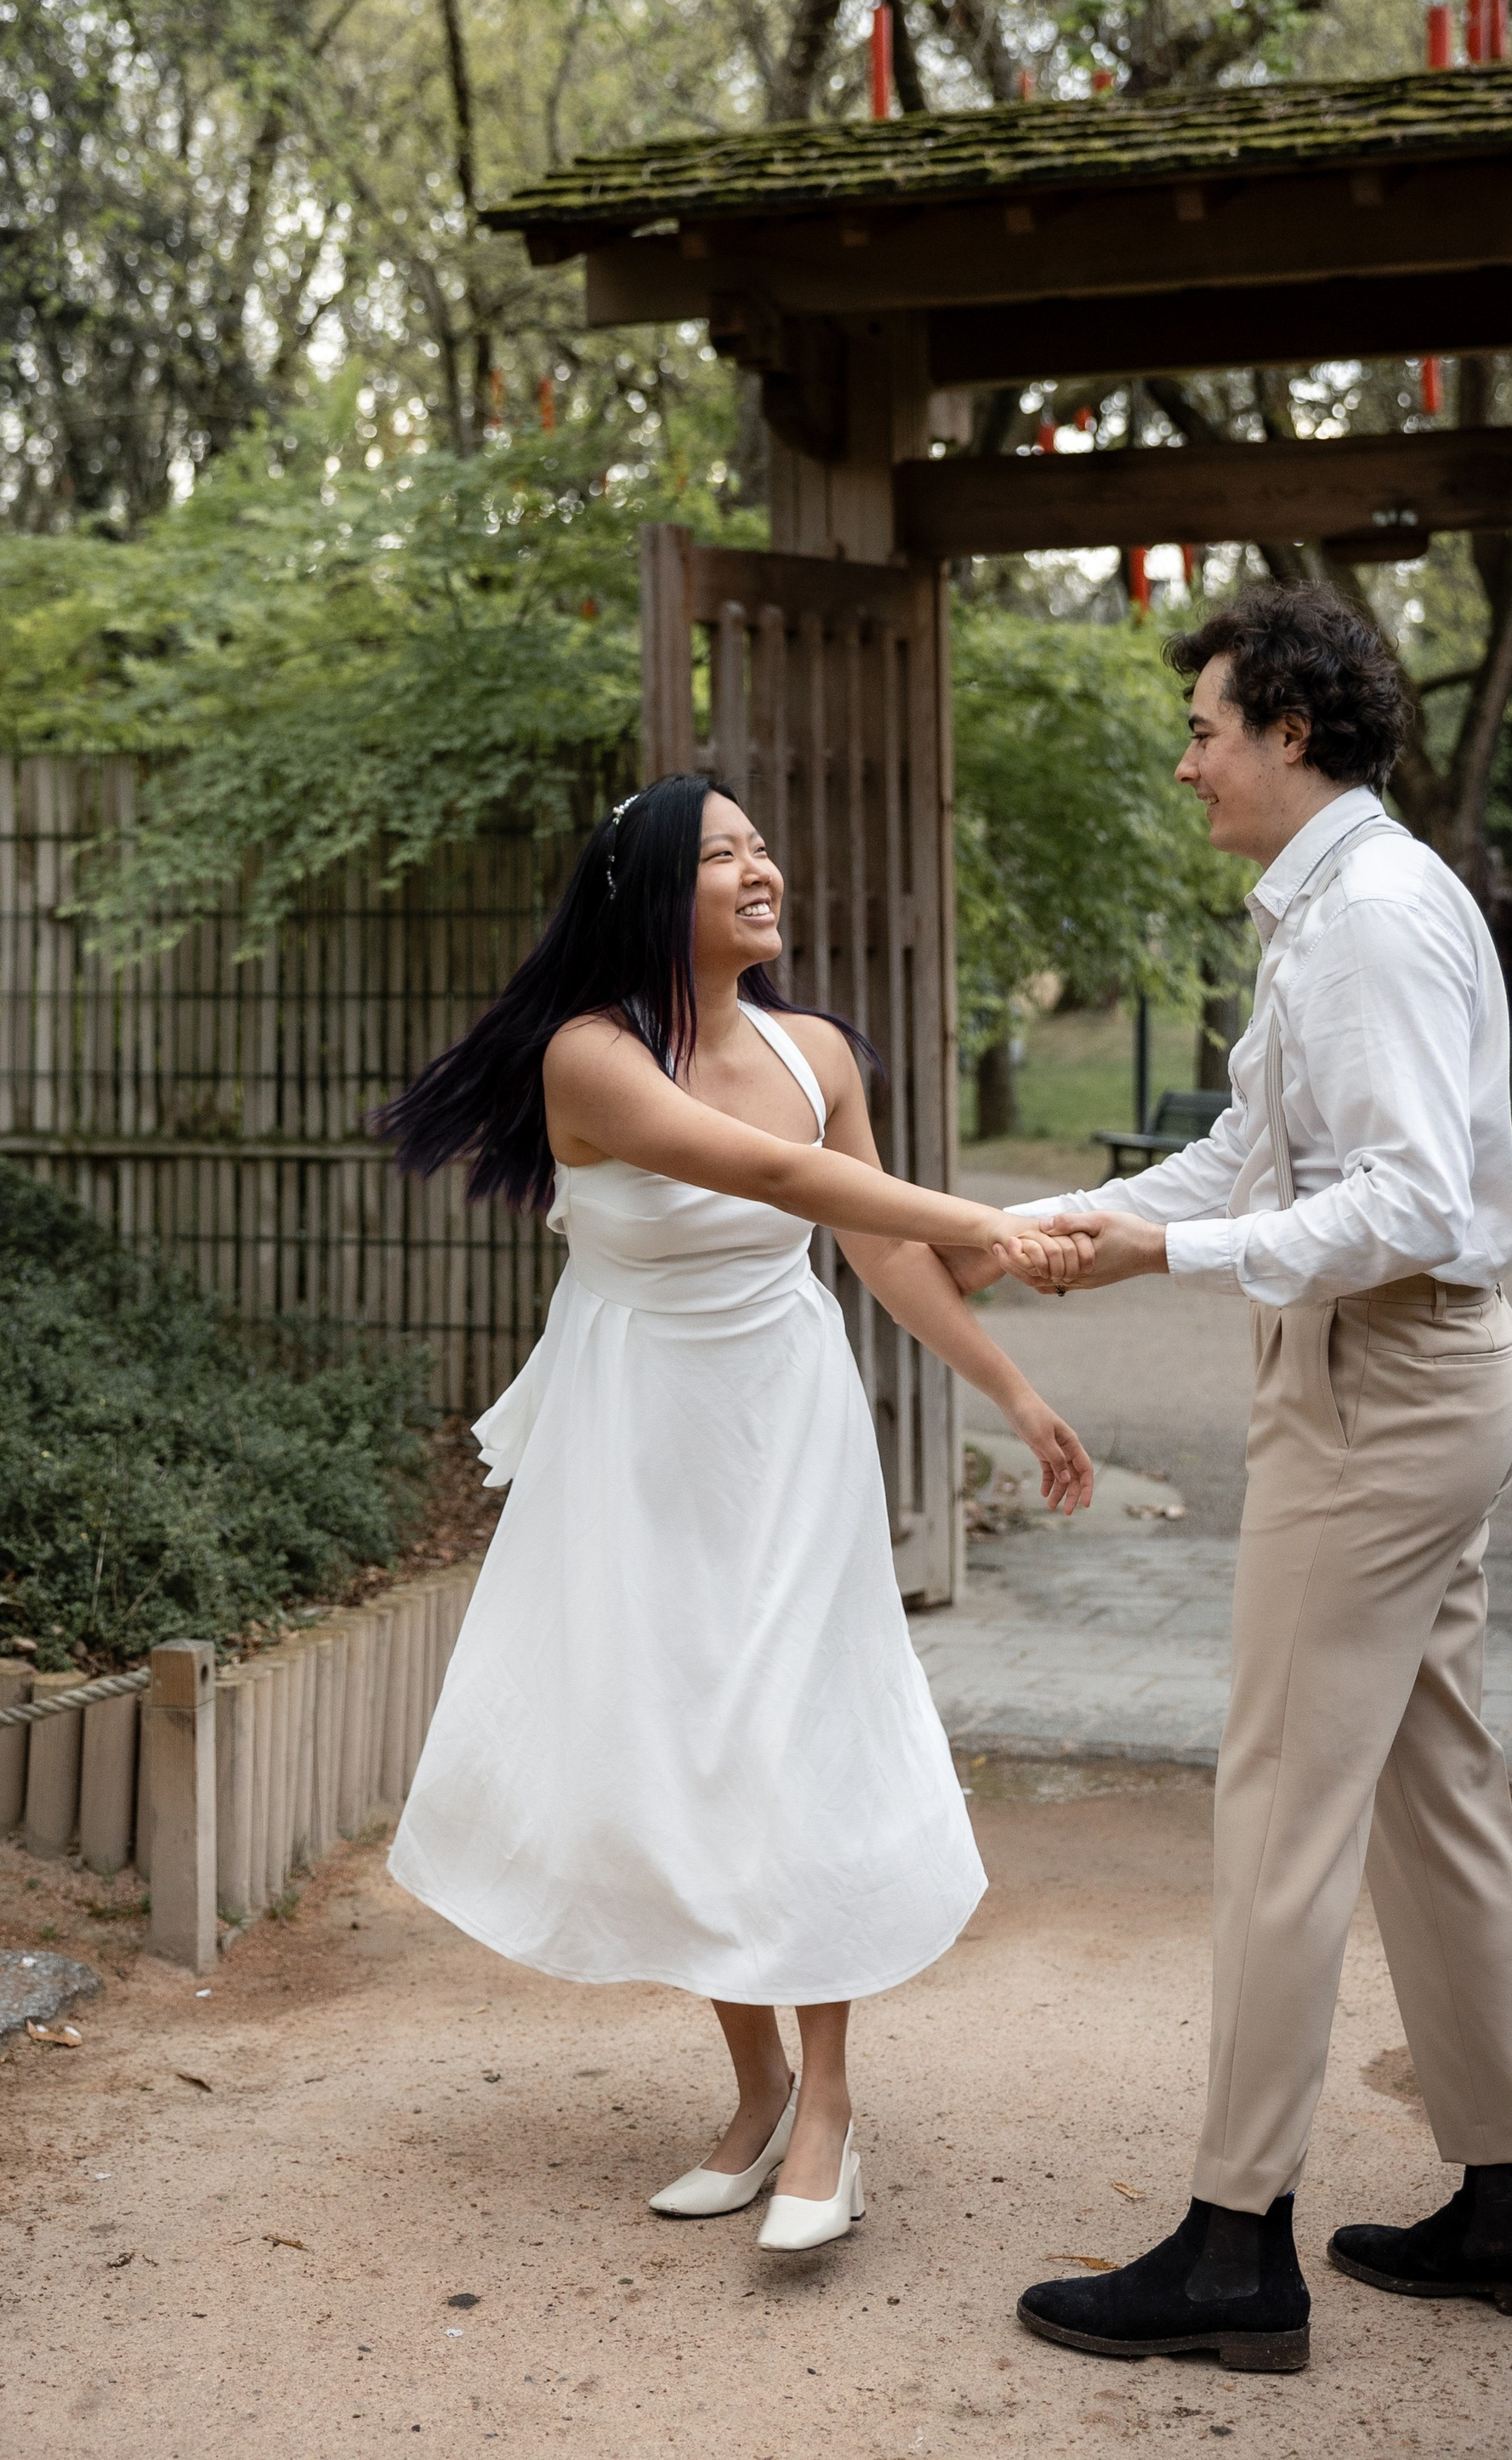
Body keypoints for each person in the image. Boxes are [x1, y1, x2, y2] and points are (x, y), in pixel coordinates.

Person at [375, 771, 1094, 2256]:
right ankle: (757, 2084)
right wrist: (997, 1223)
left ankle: (827, 2106)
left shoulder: (816, 1045)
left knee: (792, 1729)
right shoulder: (590, 1058)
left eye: (764, 846)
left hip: (785, 1422)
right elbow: (764, 1170)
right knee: (687, 1742)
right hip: (639, 1434)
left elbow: (868, 1239)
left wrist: (1014, 1396)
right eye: (723, 855)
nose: (763, 870)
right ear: (652, 893)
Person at [1009, 581, 1512, 2378]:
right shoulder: (1341, 907)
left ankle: (1232, 2242)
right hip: (1401, 1376)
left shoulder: (1367, 923)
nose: (1184, 763)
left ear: (1286, 730)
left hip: (1382, 1385)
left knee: (1276, 1806)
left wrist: (1153, 1266)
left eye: (1199, 729)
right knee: (1427, 1789)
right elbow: (1259, 1155)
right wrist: (1078, 1223)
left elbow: (1405, 1205)